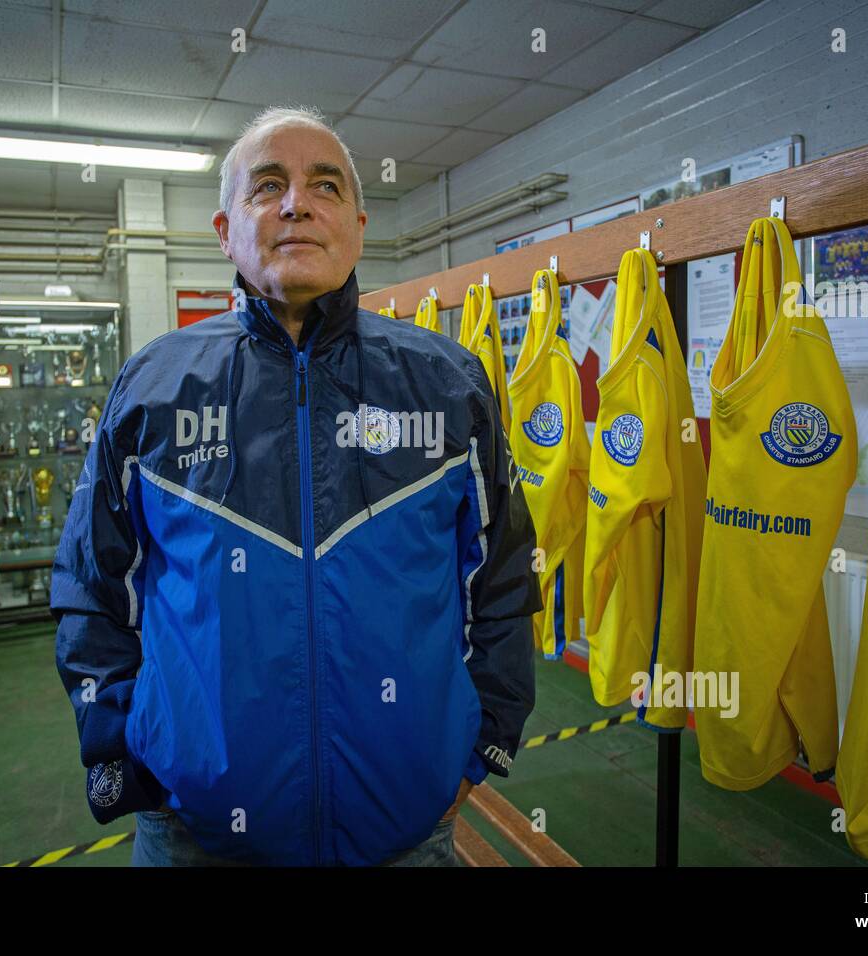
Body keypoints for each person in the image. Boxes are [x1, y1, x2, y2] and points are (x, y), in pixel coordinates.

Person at [52, 105, 541, 866]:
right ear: (225, 229)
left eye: (324, 185)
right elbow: (92, 585)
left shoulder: (448, 385)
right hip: (196, 835)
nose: (295, 203)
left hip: (406, 830)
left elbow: (504, 579)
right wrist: (120, 754)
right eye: (268, 185)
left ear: (357, 223)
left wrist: (486, 746)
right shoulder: (152, 387)